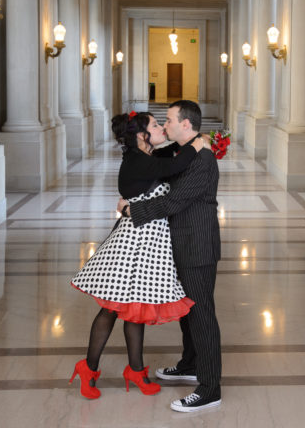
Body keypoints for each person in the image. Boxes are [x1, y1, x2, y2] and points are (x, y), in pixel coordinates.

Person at [69, 111, 205, 400]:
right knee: (112, 308)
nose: (160, 128)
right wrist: (198, 143)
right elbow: (174, 164)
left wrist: (190, 142)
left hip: (150, 242)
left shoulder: (144, 157)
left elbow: (169, 157)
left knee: (136, 309)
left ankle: (136, 370)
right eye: (155, 126)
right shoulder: (138, 160)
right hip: (133, 241)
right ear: (142, 135)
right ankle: (88, 368)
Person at [119, 100, 222, 413]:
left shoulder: (202, 158)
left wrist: (130, 210)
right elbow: (154, 163)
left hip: (197, 245)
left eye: (170, 121)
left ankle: (210, 388)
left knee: (202, 315)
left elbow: (173, 202)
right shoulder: (182, 150)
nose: (165, 126)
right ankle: (190, 365)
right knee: (190, 312)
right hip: (182, 242)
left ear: (186, 125)